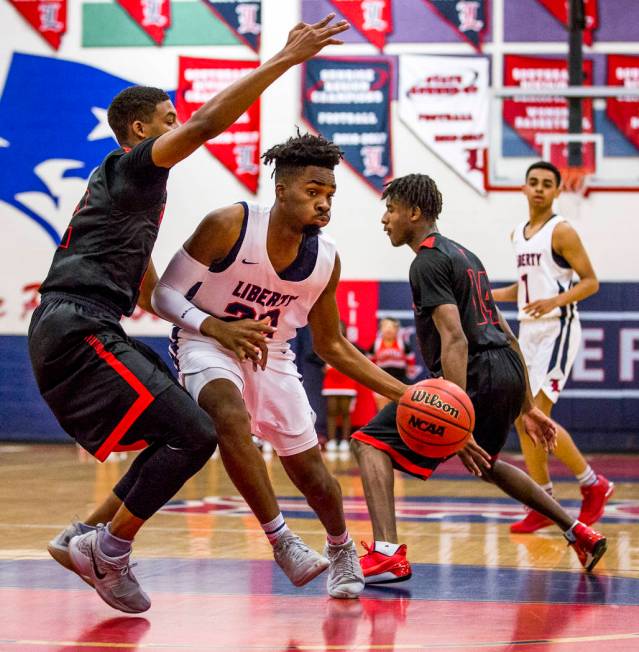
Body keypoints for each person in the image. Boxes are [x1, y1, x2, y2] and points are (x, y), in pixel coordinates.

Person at [28, 15, 351, 614]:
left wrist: (186, 306)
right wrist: (285, 59)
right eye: (166, 121)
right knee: (197, 431)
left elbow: (149, 286)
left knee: (179, 434)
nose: (177, 127)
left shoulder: (127, 194)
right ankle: (109, 549)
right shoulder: (132, 166)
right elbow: (207, 123)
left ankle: (88, 539)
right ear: (139, 130)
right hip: (77, 324)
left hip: (86, 325)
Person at [151, 132, 410, 599]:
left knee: (313, 474)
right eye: (313, 192)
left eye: (330, 195)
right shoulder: (229, 224)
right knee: (227, 416)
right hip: (204, 342)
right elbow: (163, 294)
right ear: (281, 190)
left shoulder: (325, 259)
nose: (324, 204)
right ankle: (282, 540)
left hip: (274, 356)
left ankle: (342, 547)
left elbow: (333, 346)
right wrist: (213, 327)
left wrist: (405, 393)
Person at [351, 173, 608, 584]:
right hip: (505, 366)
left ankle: (387, 554)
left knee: (368, 443)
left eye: (391, 209)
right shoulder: (466, 254)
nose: (385, 219)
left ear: (414, 213)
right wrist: (527, 408)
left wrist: (457, 409)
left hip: (474, 373)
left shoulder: (427, 261)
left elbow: (454, 337)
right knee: (488, 463)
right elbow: (505, 331)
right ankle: (577, 530)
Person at [492, 161, 613, 534]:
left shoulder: (562, 232)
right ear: (524, 189)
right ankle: (543, 500)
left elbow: (591, 282)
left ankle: (593, 483)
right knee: (521, 416)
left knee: (538, 415)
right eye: (534, 182)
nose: (540, 188)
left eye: (547, 183)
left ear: (558, 191)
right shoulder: (518, 233)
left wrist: (554, 303)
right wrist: (482, 295)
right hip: (528, 330)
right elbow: (524, 288)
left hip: (558, 328)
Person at [322, 321, 360, 452]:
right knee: (331, 411)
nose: (339, 329)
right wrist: (323, 366)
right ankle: (331, 440)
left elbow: (361, 357)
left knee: (345, 412)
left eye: (341, 327)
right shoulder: (325, 343)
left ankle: (345, 441)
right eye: (336, 326)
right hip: (331, 382)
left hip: (347, 382)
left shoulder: (351, 346)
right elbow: (313, 356)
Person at [368, 317, 416, 411]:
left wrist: (408, 379)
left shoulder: (403, 344)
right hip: (381, 381)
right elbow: (370, 363)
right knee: (382, 410)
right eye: (386, 326)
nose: (388, 329)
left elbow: (411, 363)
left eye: (392, 327)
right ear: (380, 329)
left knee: (400, 409)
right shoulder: (376, 344)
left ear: (397, 330)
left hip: (400, 380)